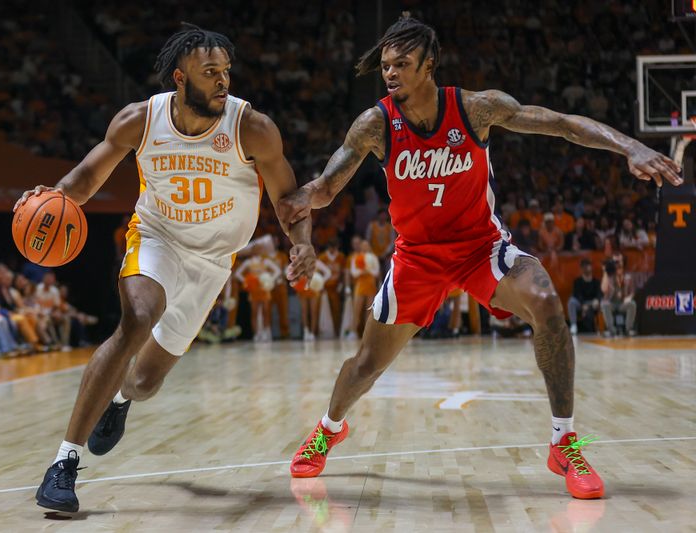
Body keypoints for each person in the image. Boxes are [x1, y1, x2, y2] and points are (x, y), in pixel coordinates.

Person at [278, 15, 682, 500]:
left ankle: (564, 442)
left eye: (401, 64)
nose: (390, 74)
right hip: (417, 258)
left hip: (480, 248)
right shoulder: (375, 124)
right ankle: (329, 427)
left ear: (429, 65)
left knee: (546, 301)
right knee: (366, 365)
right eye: (386, 65)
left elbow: (561, 124)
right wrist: (302, 236)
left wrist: (630, 145)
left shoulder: (475, 109)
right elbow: (321, 190)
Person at [18, 24, 315, 512]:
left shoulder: (252, 127)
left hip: (214, 260)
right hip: (157, 237)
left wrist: (301, 241)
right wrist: (51, 197)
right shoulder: (140, 120)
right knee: (136, 318)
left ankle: (120, 400)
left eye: (226, 72)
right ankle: (63, 465)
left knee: (146, 381)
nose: (223, 82)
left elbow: (288, 196)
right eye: (210, 72)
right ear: (180, 78)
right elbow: (88, 175)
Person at [600, 255, 636, 337]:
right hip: (611, 302)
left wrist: (629, 297)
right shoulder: (609, 276)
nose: (618, 264)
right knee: (604, 304)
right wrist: (605, 271)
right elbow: (604, 289)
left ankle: (628, 329)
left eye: (619, 261)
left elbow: (632, 292)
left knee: (632, 304)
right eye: (615, 262)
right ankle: (612, 330)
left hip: (622, 303)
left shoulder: (628, 277)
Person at [567, 259, 601, 335]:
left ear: (591, 267)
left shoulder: (596, 281)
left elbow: (599, 293)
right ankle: (573, 325)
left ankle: (603, 327)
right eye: (584, 266)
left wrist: (597, 300)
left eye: (587, 265)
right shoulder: (577, 281)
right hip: (581, 303)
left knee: (602, 302)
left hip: (593, 303)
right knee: (571, 301)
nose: (586, 268)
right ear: (581, 268)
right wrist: (583, 305)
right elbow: (577, 294)